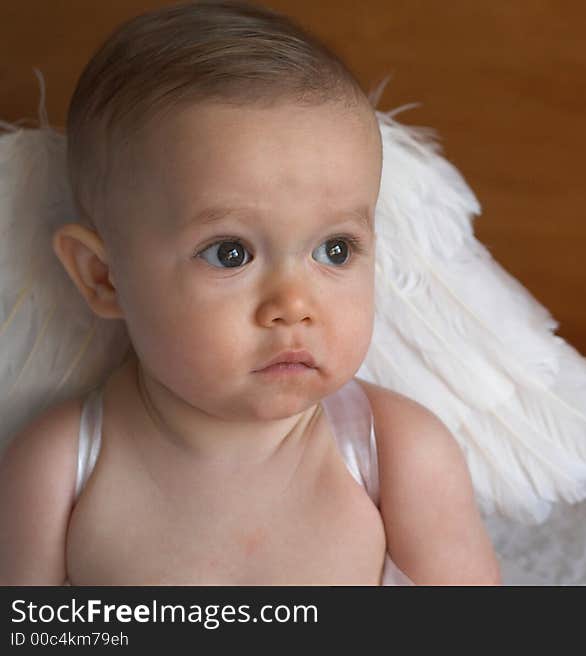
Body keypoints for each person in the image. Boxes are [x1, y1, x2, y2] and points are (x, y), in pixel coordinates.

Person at [0, 0, 500, 585]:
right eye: (229, 253)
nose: (293, 305)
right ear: (102, 277)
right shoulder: (61, 465)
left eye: (335, 250)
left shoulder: (394, 453)